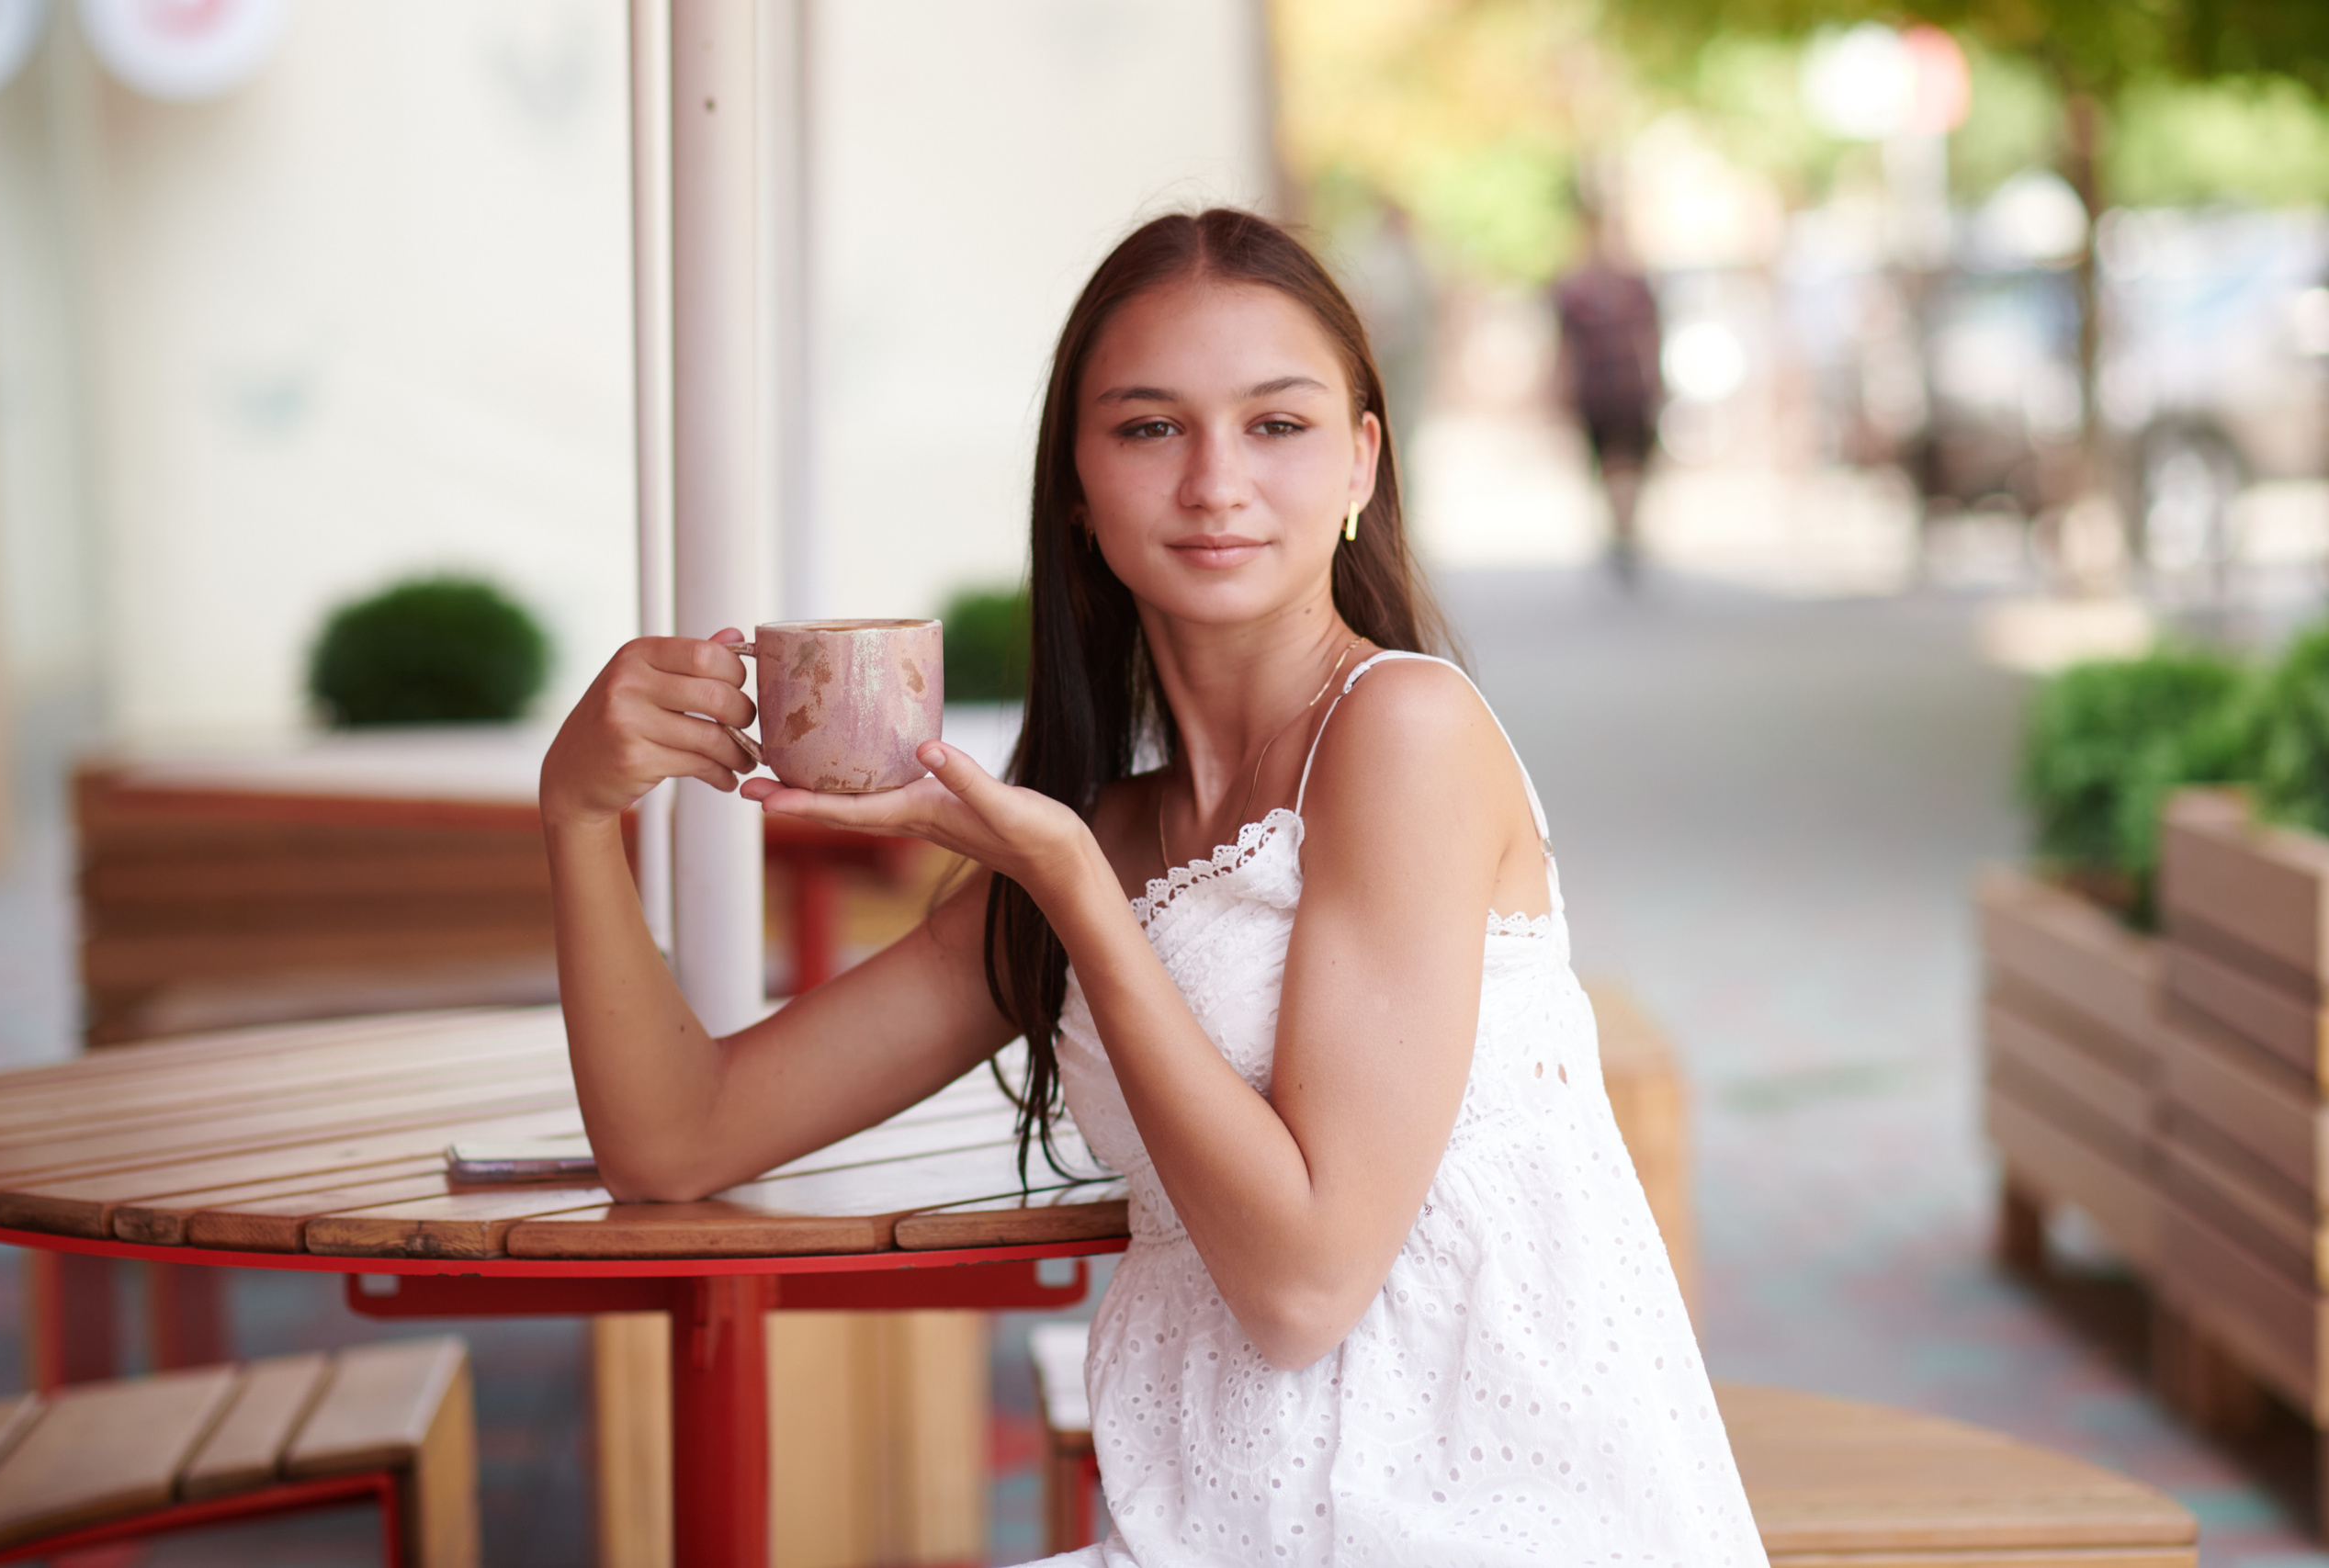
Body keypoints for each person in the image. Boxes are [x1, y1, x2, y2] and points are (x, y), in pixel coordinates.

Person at [540, 209, 1764, 1564]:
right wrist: (580, 815)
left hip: (1481, 1526)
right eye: (1149, 427)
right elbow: (677, 1138)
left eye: (1277, 423)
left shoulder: (1401, 733)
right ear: (1077, 484)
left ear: (1362, 461)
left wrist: (1074, 891)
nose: (1214, 482)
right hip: (1225, 1531)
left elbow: (1305, 1284)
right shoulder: (1099, 834)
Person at [1551, 208, 1663, 587]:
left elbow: (1650, 339)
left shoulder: (1632, 287)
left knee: (1624, 467)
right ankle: (1623, 532)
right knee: (1616, 468)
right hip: (1603, 391)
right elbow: (1566, 348)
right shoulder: (1579, 291)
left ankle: (1623, 532)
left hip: (1623, 390)